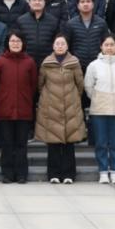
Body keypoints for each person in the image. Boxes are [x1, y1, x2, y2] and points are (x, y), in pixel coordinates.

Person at [36, 33, 85, 184]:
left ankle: (69, 174)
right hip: (51, 107)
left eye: (63, 44)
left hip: (70, 106)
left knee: (69, 143)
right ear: (53, 46)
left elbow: (80, 85)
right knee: (53, 144)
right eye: (57, 44)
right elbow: (40, 85)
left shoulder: (74, 63)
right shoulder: (46, 63)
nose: (60, 46)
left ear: (67, 46)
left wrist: (73, 98)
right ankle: (54, 174)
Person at [0, 31, 37, 184]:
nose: (15, 44)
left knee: (21, 144)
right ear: (7, 43)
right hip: (5, 109)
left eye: (18, 41)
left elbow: (33, 86)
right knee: (7, 144)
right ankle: (7, 174)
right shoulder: (0, 62)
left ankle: (21, 174)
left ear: (23, 43)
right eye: (12, 41)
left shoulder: (29, 62)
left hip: (23, 110)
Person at [85, 34, 115, 185]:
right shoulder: (94, 65)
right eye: (106, 45)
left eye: (112, 45)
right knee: (101, 142)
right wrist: (98, 98)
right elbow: (88, 86)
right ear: (101, 47)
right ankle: (103, 171)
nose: (109, 48)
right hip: (99, 109)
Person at [62, 0, 111, 72]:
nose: (85, 4)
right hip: (77, 66)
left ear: (93, 4)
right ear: (78, 5)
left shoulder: (101, 23)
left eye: (88, 1)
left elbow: (106, 43)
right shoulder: (71, 24)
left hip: (98, 65)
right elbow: (67, 46)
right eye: (82, 2)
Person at [15, 0, 60, 68]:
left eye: (40, 0)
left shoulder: (53, 21)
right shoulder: (21, 21)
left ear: (44, 3)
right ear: (29, 3)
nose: (37, 2)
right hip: (26, 62)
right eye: (34, 0)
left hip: (48, 63)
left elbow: (56, 41)